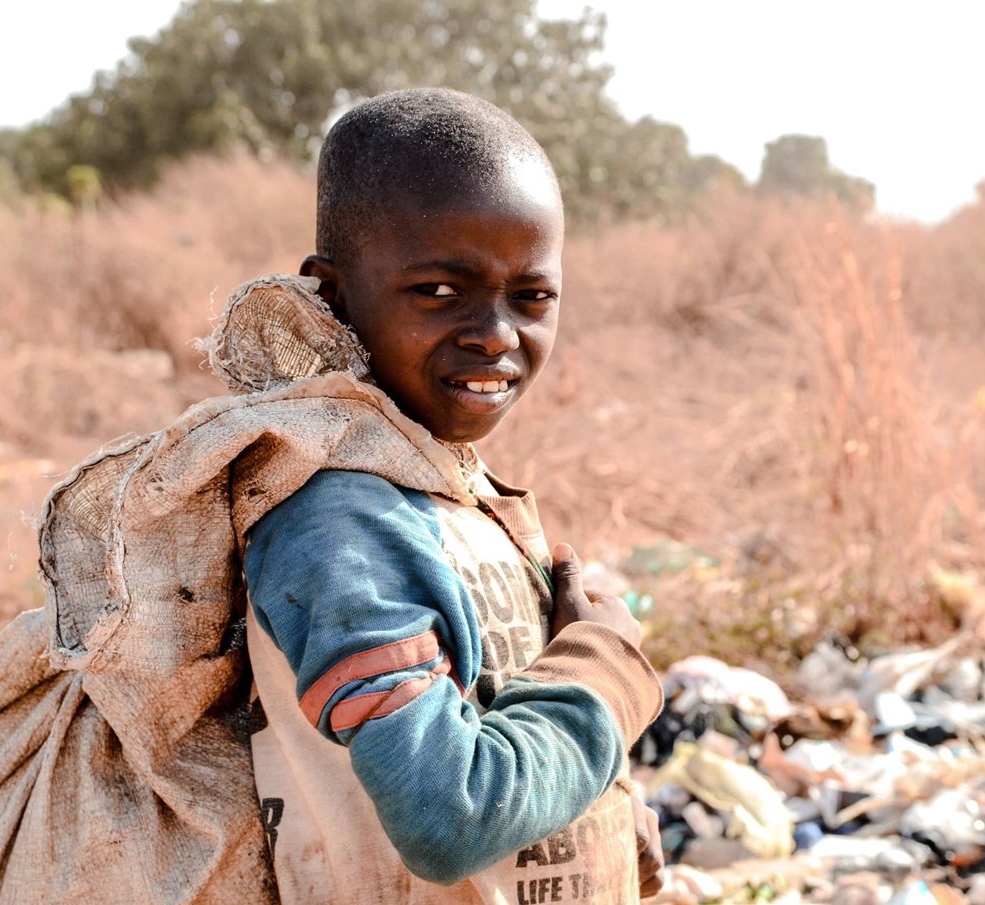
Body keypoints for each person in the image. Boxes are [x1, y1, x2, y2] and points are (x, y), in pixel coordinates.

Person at [241, 88, 665, 903]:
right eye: (441, 291)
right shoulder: (338, 520)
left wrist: (604, 795)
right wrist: (606, 671)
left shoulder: (442, 482)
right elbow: (449, 812)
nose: (497, 334)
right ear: (331, 297)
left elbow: (500, 713)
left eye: (531, 297)